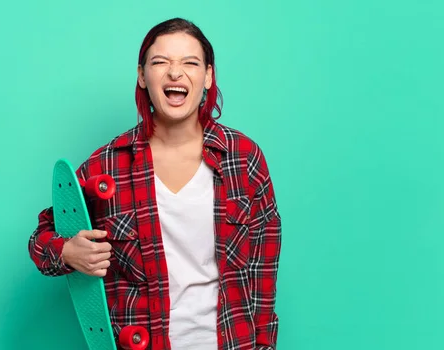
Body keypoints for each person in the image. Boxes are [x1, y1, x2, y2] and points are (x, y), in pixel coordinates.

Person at [28, 17, 282, 350]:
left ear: (207, 76)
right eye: (160, 62)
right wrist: (68, 252)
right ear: (142, 75)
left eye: (190, 63)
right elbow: (41, 238)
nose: (175, 73)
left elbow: (264, 269)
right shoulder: (108, 164)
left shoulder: (243, 158)